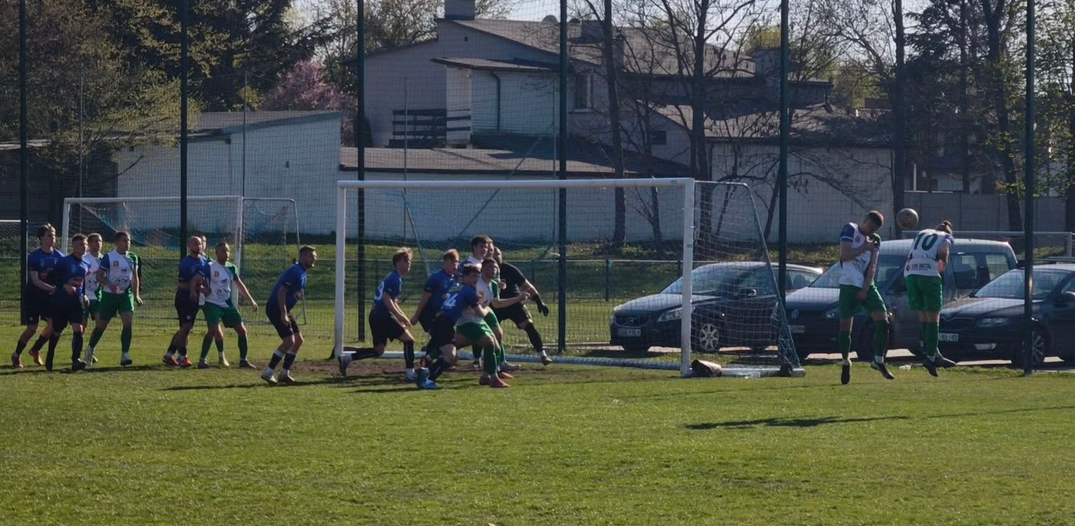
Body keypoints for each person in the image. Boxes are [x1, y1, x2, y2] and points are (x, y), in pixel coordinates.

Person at [420, 264, 506, 390]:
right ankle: (428, 379)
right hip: (446, 323)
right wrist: (486, 308)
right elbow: (480, 313)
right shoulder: (470, 291)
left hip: (440, 320)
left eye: (477, 276)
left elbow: (451, 298)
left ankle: (426, 366)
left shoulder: (456, 287)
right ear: (464, 277)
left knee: (453, 351)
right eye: (473, 276)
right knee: (451, 356)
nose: (476, 279)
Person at [338, 248, 417, 379]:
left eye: (409, 261)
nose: (409, 263)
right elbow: (386, 299)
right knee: (409, 340)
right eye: (406, 260)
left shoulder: (393, 277)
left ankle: (347, 358)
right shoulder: (395, 279)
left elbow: (392, 300)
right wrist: (399, 317)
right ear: (398, 262)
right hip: (383, 316)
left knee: (378, 350)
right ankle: (410, 373)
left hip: (375, 315)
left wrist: (402, 316)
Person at [836, 211, 892, 384]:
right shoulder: (850, 229)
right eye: (870, 227)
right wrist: (864, 248)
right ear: (864, 221)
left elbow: (872, 266)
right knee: (846, 327)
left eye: (874, 230)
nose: (870, 232)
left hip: (866, 285)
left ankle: (878, 359)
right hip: (848, 284)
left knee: (883, 321)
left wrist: (866, 288)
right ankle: (846, 361)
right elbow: (844, 255)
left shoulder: (875, 240)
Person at [904, 221, 959, 376]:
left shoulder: (922, 232)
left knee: (923, 316)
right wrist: (943, 264)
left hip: (910, 273)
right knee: (934, 317)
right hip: (928, 273)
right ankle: (931, 357)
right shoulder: (945, 237)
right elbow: (943, 252)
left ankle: (932, 352)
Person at [85, 231, 143, 367]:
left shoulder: (133, 257)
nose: (127, 243)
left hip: (126, 295)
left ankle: (125, 354)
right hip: (109, 296)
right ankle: (90, 348)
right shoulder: (109, 257)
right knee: (101, 326)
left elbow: (135, 277)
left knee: (128, 322)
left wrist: (136, 295)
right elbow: (99, 276)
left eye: (129, 240)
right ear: (117, 242)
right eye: (124, 240)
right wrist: (110, 284)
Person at [261, 246, 316, 385]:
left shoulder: (302, 273)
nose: (314, 258)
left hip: (284, 308)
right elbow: (281, 293)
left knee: (298, 340)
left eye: (314, 256)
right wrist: (283, 314)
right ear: (302, 256)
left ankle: (284, 374)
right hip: (276, 308)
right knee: (289, 341)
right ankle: (268, 372)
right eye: (311, 256)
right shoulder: (295, 271)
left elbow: (293, 293)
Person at [12, 224, 64, 368]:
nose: (53, 238)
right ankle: (16, 355)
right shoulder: (35, 256)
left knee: (52, 325)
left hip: (49, 297)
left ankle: (35, 349)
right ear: (41, 238)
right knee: (32, 328)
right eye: (49, 235)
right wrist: (53, 289)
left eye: (54, 235)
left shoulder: (59, 256)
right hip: (34, 297)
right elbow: (35, 280)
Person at [198, 242, 258, 369]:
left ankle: (243, 360)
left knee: (242, 330)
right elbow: (197, 282)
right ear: (216, 253)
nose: (226, 254)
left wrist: (251, 300)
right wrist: (203, 290)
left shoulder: (231, 268)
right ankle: (202, 360)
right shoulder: (210, 267)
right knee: (213, 330)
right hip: (212, 303)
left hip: (226, 303)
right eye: (223, 251)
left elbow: (239, 284)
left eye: (228, 251)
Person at [492, 247, 553, 366]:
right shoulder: (484, 271)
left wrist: (540, 302)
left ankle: (543, 355)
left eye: (498, 254)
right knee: (490, 331)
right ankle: (479, 360)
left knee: (529, 325)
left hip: (514, 304)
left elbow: (527, 285)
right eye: (492, 255)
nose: (496, 257)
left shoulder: (510, 270)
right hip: (496, 306)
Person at [479, 258, 532, 385]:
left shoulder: (493, 285)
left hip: (484, 312)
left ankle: (491, 373)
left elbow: (496, 304)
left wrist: (518, 298)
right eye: (490, 267)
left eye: (495, 267)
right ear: (482, 269)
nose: (493, 270)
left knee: (497, 337)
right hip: (471, 315)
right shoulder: (477, 282)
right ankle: (434, 356)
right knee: (460, 343)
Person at [43, 235, 91, 372]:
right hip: (62, 301)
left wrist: (84, 294)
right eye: (80, 244)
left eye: (85, 244)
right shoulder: (64, 261)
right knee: (57, 330)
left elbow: (82, 281)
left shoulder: (86, 263)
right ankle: (50, 356)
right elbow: (51, 277)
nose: (83, 247)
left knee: (78, 329)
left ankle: (76, 360)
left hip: (77, 301)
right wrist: (64, 285)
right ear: (74, 246)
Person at [163, 236, 207, 368]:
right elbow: (182, 284)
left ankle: (170, 354)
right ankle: (182, 356)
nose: (198, 246)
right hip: (184, 299)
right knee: (186, 327)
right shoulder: (186, 263)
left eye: (200, 244)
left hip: (195, 299)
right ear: (189, 246)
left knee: (185, 329)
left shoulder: (204, 261)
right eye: (195, 244)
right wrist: (199, 288)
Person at [411, 249, 459, 357]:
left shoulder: (455, 279)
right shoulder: (436, 277)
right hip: (428, 313)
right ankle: (429, 356)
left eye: (456, 262)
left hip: (441, 315)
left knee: (441, 337)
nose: (455, 265)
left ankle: (428, 357)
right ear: (445, 262)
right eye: (452, 262)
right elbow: (425, 297)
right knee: (440, 336)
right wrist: (416, 316)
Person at [81, 233, 103, 366]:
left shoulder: (103, 259)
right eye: (95, 241)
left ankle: (90, 349)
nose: (98, 243)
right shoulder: (85, 259)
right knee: (81, 328)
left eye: (99, 241)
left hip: (97, 297)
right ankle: (77, 354)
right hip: (84, 296)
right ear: (89, 244)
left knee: (101, 324)